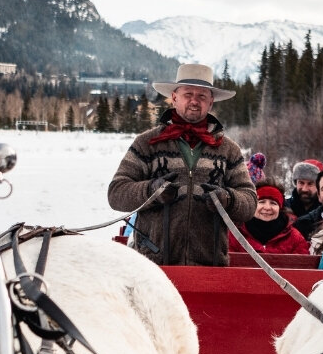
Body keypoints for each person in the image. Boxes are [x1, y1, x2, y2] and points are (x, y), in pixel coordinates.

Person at [106, 63, 257, 266]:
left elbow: (250, 201)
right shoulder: (147, 143)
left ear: (211, 102)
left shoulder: (228, 150)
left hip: (210, 266)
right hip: (153, 266)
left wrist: (227, 199)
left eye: (202, 96)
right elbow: (116, 193)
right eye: (188, 94)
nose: (194, 101)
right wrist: (152, 191)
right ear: (175, 97)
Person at [237, 185, 309, 255]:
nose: (267, 207)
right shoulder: (236, 233)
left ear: (280, 208)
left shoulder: (295, 238)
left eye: (273, 203)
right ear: (253, 205)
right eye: (261, 202)